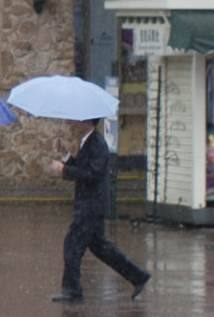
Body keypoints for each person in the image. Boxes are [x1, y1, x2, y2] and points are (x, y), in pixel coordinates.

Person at [58, 121, 149, 300]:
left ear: (88, 121)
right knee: (101, 248)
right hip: (89, 204)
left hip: (91, 205)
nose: (76, 123)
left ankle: (72, 290)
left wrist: (64, 170)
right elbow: (82, 167)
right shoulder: (87, 141)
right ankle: (138, 276)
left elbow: (91, 174)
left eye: (80, 119)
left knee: (72, 245)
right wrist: (66, 155)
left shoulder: (98, 144)